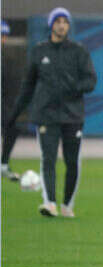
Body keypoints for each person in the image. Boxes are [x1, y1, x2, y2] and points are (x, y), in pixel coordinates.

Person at [5, 8, 96, 217]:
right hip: (46, 115)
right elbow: (28, 86)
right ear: (51, 25)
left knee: (72, 162)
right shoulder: (39, 51)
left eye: (65, 22)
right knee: (48, 159)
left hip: (73, 116)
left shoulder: (79, 51)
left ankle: (67, 206)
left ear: (69, 25)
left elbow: (91, 80)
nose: (61, 25)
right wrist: (15, 113)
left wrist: (75, 88)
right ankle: (50, 204)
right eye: (58, 21)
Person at [1, 20, 21, 181]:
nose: (3, 39)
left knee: (13, 127)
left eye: (4, 35)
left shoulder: (4, 59)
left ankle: (3, 164)